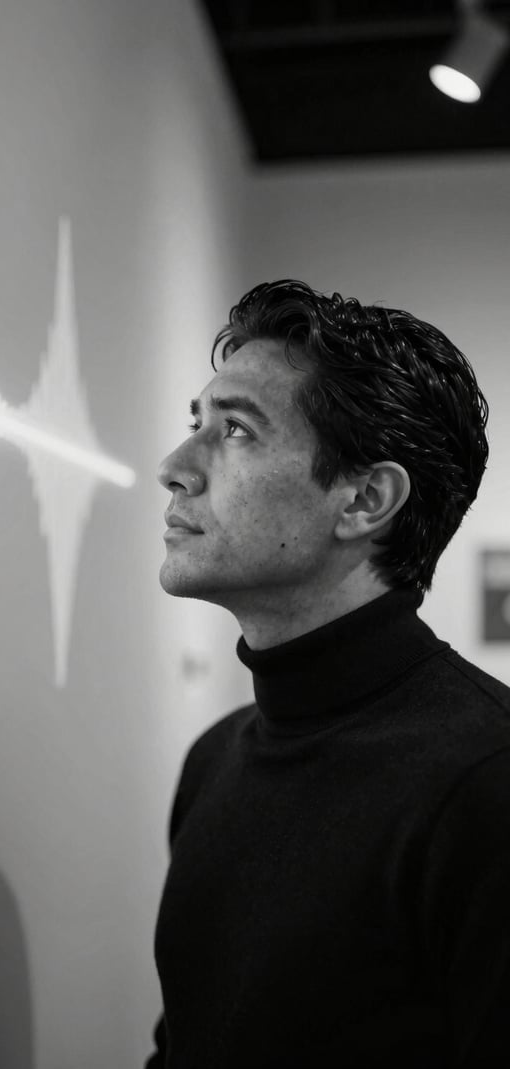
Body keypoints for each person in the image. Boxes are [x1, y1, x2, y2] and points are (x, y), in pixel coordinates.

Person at [146, 279, 510, 1068]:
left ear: (366, 498)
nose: (175, 467)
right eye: (195, 425)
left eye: (236, 431)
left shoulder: (488, 783)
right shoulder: (214, 762)